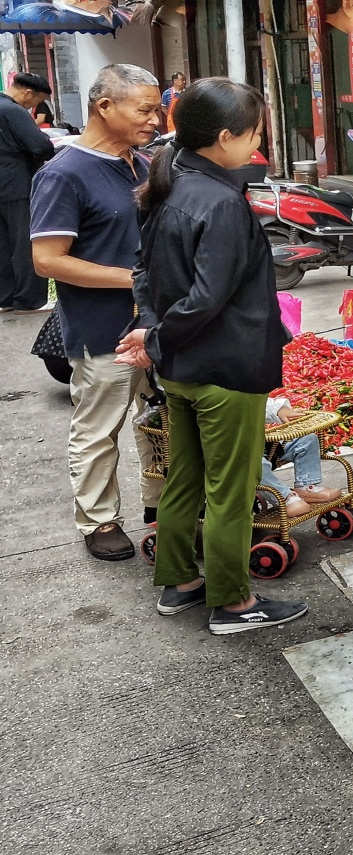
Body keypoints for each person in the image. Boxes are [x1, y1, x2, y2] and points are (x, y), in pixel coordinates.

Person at [114, 77, 305, 635]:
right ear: (224, 138)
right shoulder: (220, 202)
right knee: (230, 489)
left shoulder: (169, 182)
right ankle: (232, 602)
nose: (256, 145)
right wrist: (155, 339)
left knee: (186, 478)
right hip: (225, 369)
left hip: (183, 370)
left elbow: (145, 274)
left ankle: (177, 582)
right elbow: (206, 298)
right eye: (253, 135)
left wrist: (154, 334)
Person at [30, 64, 163, 561]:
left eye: (156, 109)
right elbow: (48, 260)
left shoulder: (143, 165)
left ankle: (160, 506)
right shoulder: (64, 173)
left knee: (158, 420)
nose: (154, 119)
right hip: (103, 328)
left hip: (156, 325)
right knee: (99, 429)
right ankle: (98, 519)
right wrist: (133, 279)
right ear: (104, 107)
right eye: (144, 109)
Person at [0, 72, 54, 314]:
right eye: (35, 101)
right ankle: (29, 300)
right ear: (28, 93)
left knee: (3, 244)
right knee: (26, 242)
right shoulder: (13, 111)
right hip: (18, 182)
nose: (33, 107)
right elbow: (41, 145)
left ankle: (5, 298)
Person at [259, 397, 342, 516]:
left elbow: (259, 402)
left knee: (307, 439)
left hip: (264, 446)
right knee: (253, 464)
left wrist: (278, 409)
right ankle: (284, 498)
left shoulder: (240, 389)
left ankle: (306, 486)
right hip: (236, 456)